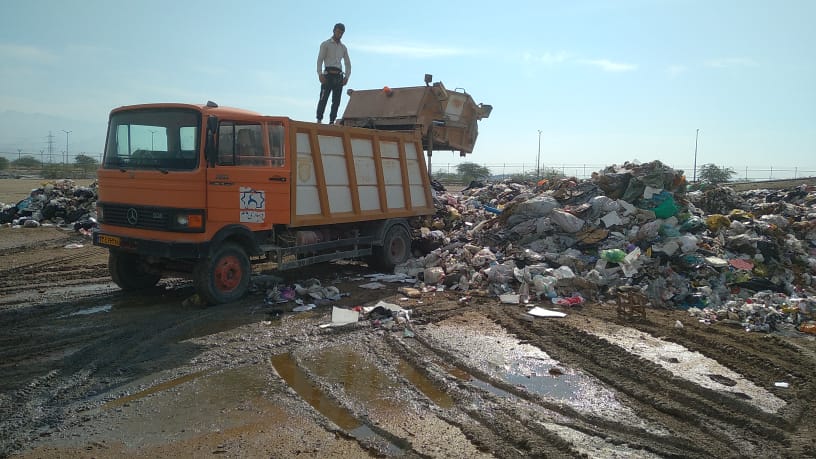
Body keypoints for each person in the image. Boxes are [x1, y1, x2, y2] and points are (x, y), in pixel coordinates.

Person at [316, 23, 351, 124]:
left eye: (342, 33)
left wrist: (347, 77)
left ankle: (332, 121)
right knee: (323, 98)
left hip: (339, 75)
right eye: (338, 31)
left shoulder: (343, 47)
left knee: (336, 101)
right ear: (334, 30)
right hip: (328, 74)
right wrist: (320, 74)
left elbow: (348, 63)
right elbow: (320, 60)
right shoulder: (325, 44)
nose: (340, 34)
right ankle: (319, 119)